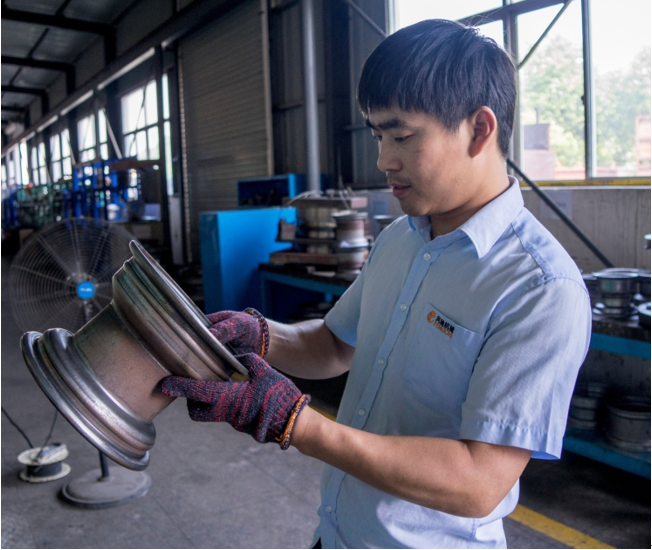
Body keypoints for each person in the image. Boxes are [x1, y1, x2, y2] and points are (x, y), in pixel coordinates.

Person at [161, 19, 592, 549]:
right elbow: (335, 344)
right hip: (338, 534)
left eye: (402, 136)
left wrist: (296, 423)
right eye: (377, 136)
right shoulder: (399, 239)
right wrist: (261, 334)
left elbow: (478, 482)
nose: (384, 160)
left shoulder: (539, 289)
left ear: (479, 130)